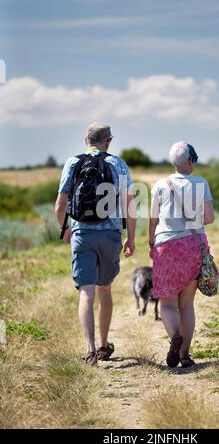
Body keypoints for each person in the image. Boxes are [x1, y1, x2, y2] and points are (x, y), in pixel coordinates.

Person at [55, 123, 136, 365]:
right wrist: (130, 238)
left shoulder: (73, 162)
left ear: (86, 140)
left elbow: (60, 206)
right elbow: (130, 206)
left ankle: (90, 350)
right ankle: (103, 345)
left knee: (86, 292)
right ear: (108, 141)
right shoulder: (118, 163)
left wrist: (65, 228)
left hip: (82, 233)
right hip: (110, 235)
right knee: (105, 289)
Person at [149, 141, 215, 368]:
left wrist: (151, 242)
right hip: (193, 246)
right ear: (190, 161)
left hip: (166, 245)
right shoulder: (201, 183)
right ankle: (185, 355)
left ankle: (174, 335)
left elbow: (153, 219)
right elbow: (209, 218)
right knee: (187, 304)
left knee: (167, 304)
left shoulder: (159, 184)